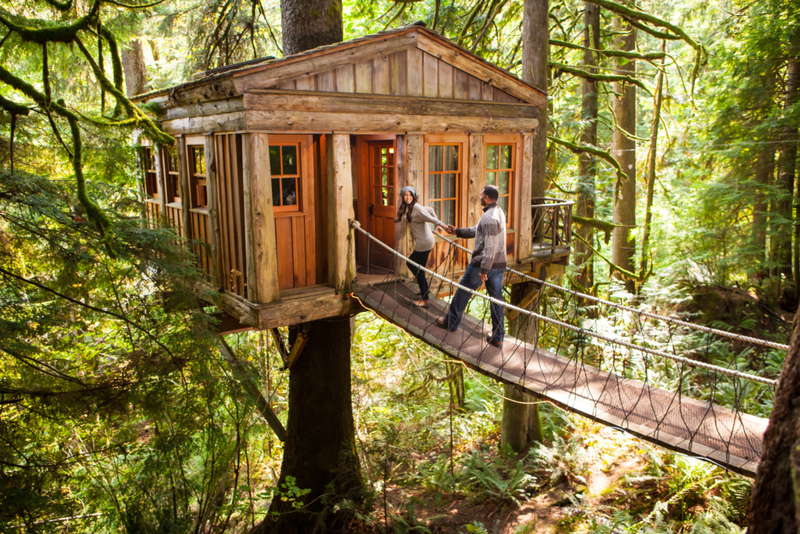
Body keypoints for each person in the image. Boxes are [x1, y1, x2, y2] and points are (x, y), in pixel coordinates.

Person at [435, 185, 507, 348]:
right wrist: (458, 231)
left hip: (483, 265)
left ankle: (450, 322)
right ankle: (498, 336)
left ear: (487, 197)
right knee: (496, 300)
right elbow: (477, 230)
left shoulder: (489, 217)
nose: (479, 197)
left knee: (462, 291)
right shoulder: (497, 212)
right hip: (499, 265)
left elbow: (489, 247)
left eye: (482, 195)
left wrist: (483, 270)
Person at [395, 186, 448, 307]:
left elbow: (429, 217)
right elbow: (430, 209)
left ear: (413, 196)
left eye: (410, 195)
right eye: (405, 195)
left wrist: (442, 225)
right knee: (419, 268)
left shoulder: (417, 208)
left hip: (424, 243)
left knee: (413, 266)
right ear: (403, 197)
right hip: (425, 241)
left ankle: (425, 300)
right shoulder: (410, 207)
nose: (408, 197)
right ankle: (424, 289)